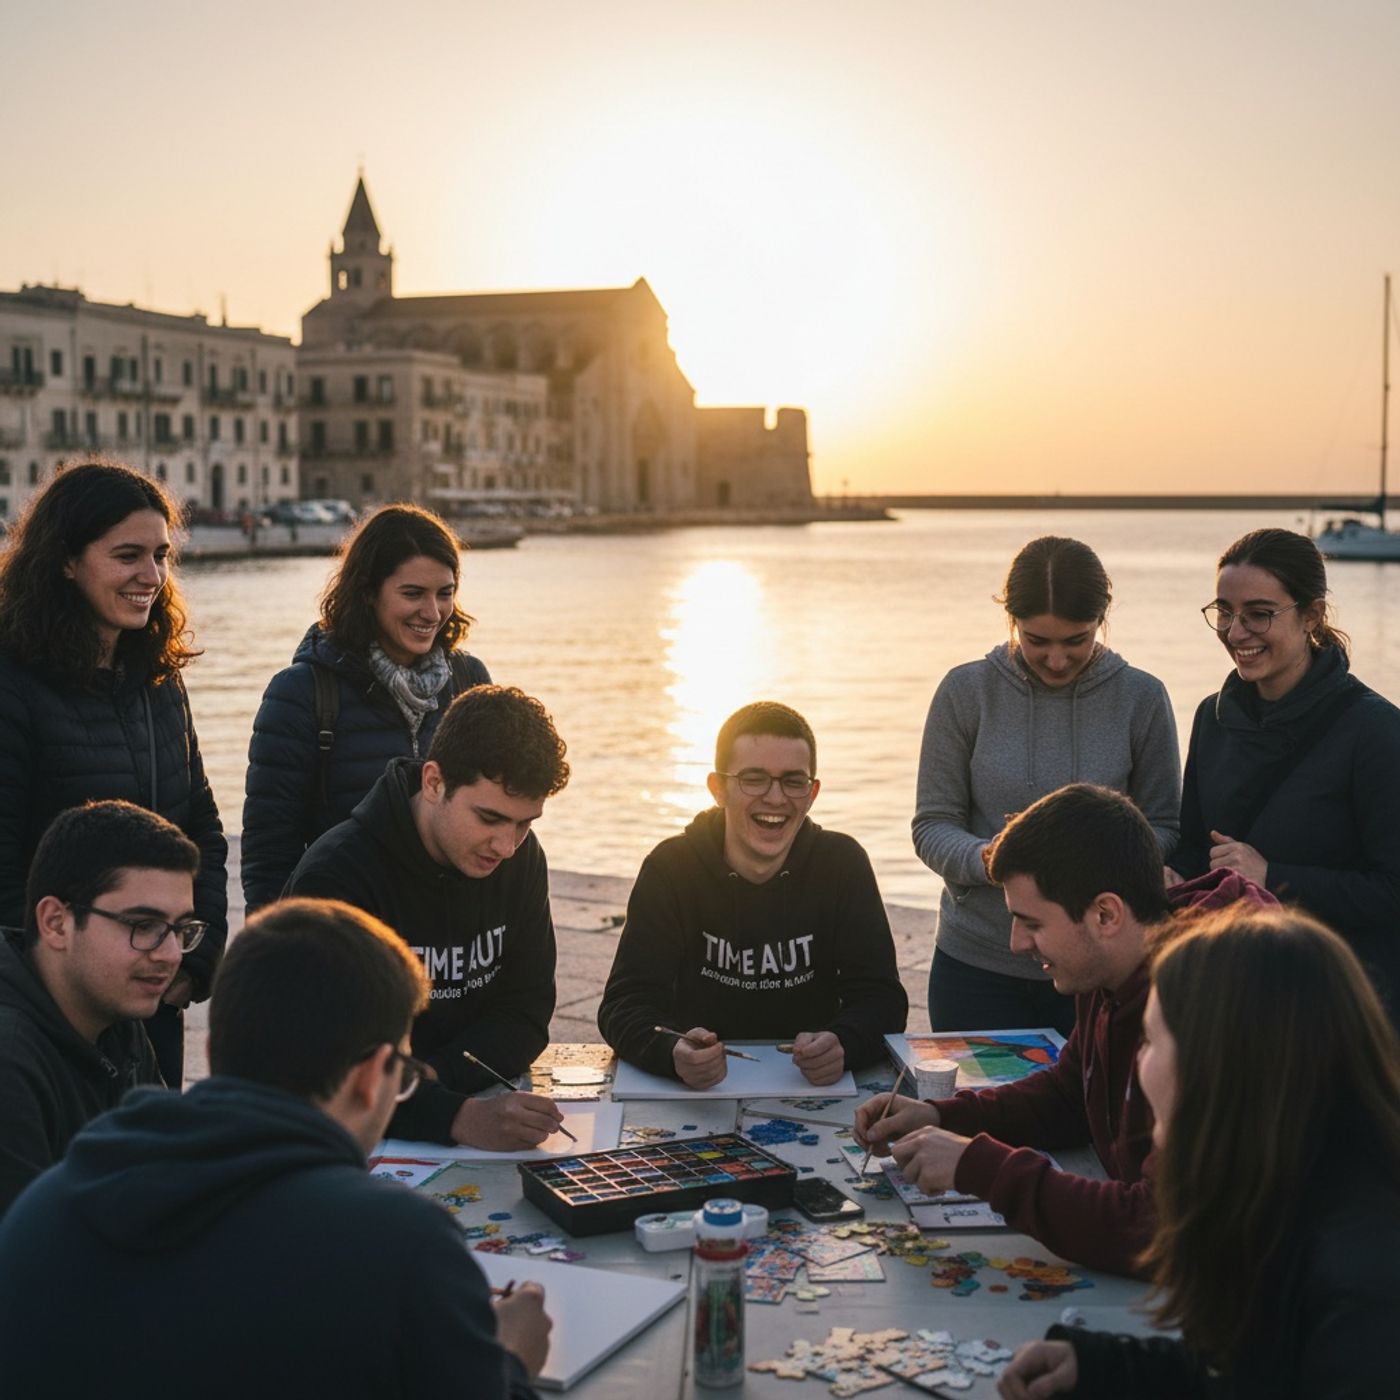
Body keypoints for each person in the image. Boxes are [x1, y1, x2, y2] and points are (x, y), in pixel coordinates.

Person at [0, 896, 552, 1399]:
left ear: (215, 1054)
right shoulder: (400, 1245)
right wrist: (510, 1364)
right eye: (403, 1075)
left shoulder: (46, 1207)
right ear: (370, 1078)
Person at [856, 783, 1274, 1276]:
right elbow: (1070, 1092)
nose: (1015, 944)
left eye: (1030, 923)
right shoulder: (1110, 964)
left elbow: (1162, 1228)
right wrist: (939, 1116)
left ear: (1105, 914)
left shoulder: (1217, 1002)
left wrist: (978, 1166)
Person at [998, 905, 1400, 1400]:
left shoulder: (1364, 1291)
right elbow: (1253, 1379)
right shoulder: (1292, 1188)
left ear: (1219, 1061)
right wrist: (1103, 1369)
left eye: (1149, 1039)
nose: (1138, 1062)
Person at [0, 459, 227, 1086]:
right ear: (66, 561)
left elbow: (200, 827)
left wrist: (191, 962)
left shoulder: (158, 676)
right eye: (128, 555)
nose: (151, 576)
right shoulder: (12, 683)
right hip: (49, 1024)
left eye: (160, 555)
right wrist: (57, 998)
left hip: (152, 1001)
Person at [913, 536, 1179, 1038]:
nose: (1057, 659)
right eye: (1037, 640)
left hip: (1101, 971)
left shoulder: (1142, 698)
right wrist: (991, 859)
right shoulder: (965, 693)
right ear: (1011, 619)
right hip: (977, 968)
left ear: (1101, 620)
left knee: (1088, 1116)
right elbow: (932, 825)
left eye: (1075, 640)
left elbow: (1163, 827)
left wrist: (1094, 863)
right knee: (974, 1116)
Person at [287, 684, 569, 1151]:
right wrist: (456, 1115)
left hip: (463, 1095)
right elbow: (324, 1061)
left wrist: (434, 1077)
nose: (507, 845)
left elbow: (528, 1010)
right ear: (434, 783)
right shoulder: (336, 877)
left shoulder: (521, 858)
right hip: (348, 1133)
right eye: (490, 818)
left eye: (525, 823)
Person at [598, 701, 908, 1090]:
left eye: (793, 781)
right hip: (694, 1089)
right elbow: (623, 1005)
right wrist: (671, 1052)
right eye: (754, 778)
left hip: (808, 1086)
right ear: (718, 788)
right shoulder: (671, 867)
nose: (775, 798)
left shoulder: (842, 863)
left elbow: (882, 999)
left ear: (812, 792)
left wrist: (846, 1043)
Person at [1170, 527, 1400, 1018]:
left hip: (1341, 1007)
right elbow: (1197, 849)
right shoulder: (1212, 717)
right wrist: (1170, 877)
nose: (1234, 633)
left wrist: (1272, 877)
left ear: (1312, 615)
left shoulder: (1375, 730)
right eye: (1225, 613)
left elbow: (1392, 891)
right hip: (1233, 996)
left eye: (1258, 614)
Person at [242, 503, 491, 914]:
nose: (432, 613)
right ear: (367, 592)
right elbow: (270, 851)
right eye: (413, 594)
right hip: (347, 932)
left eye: (445, 594)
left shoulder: (468, 680)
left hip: (449, 934)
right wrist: (273, 952)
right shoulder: (301, 693)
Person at [0, 800, 201, 1217]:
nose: (170, 955)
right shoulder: (11, 1060)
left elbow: (171, 1173)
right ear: (56, 923)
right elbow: (32, 1262)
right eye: (142, 926)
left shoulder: (112, 1015)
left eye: (181, 929)